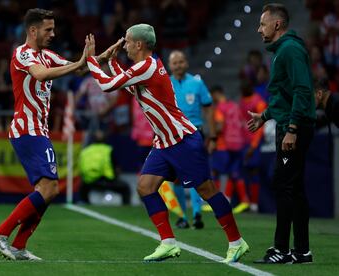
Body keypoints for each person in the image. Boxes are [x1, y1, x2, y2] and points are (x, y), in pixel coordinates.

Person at [84, 24, 248, 263]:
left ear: (139, 44)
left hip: (182, 140)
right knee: (145, 186)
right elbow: (129, 87)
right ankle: (168, 243)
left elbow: (108, 86)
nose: (125, 45)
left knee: (206, 190)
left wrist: (91, 60)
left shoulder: (147, 66)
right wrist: (112, 60)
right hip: (164, 142)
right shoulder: (148, 67)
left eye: (127, 41)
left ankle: (236, 242)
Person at [0, 8, 92, 261]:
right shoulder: (22, 54)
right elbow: (41, 74)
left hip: (37, 130)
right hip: (26, 129)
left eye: (53, 29)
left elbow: (79, 68)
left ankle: (19, 245)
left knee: (49, 189)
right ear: (33, 31)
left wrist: (102, 58)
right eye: (48, 29)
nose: (53, 34)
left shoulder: (48, 55)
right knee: (49, 189)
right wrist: (79, 63)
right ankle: (0, 233)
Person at [249, 3, 316, 264]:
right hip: (290, 124)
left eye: (262, 24)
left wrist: (292, 130)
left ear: (277, 24)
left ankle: (281, 249)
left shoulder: (289, 50)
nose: (259, 29)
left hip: (293, 129)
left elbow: (302, 90)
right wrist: (264, 116)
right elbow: (284, 94)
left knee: (283, 184)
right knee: (294, 188)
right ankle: (302, 251)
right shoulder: (283, 50)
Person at [167, 50, 216, 229]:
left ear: (186, 63)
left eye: (181, 62)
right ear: (170, 66)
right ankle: (182, 216)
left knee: (197, 175)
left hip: (195, 132)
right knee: (177, 178)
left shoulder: (197, 82)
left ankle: (197, 214)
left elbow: (209, 108)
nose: (178, 65)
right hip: (173, 135)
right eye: (175, 63)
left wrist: (212, 135)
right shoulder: (166, 83)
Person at [209, 86, 248, 214]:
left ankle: (217, 202)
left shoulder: (220, 108)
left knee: (216, 172)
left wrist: (211, 136)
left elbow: (220, 126)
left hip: (223, 145)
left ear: (216, 94)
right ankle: (243, 201)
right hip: (237, 144)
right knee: (234, 173)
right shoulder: (234, 106)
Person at [78, 130, 131, 205]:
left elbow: (80, 168)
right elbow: (117, 168)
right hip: (106, 181)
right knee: (125, 188)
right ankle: (126, 208)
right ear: (105, 140)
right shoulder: (108, 150)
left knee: (82, 188)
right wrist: (116, 177)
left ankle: (86, 204)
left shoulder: (85, 151)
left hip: (89, 181)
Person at [239, 80, 267, 213]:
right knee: (243, 173)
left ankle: (254, 204)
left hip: (253, 142)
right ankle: (246, 202)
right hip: (242, 142)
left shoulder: (259, 101)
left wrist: (254, 145)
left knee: (254, 172)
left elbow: (262, 124)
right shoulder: (242, 101)